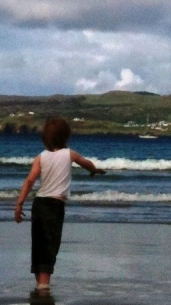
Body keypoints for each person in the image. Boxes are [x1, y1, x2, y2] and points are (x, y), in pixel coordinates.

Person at [14, 116, 104, 292]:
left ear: (45, 139)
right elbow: (86, 163)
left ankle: (40, 283)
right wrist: (94, 170)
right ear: (66, 137)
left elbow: (30, 180)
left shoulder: (41, 157)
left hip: (38, 204)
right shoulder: (69, 154)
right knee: (50, 245)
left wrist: (19, 204)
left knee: (39, 245)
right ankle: (43, 286)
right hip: (54, 206)